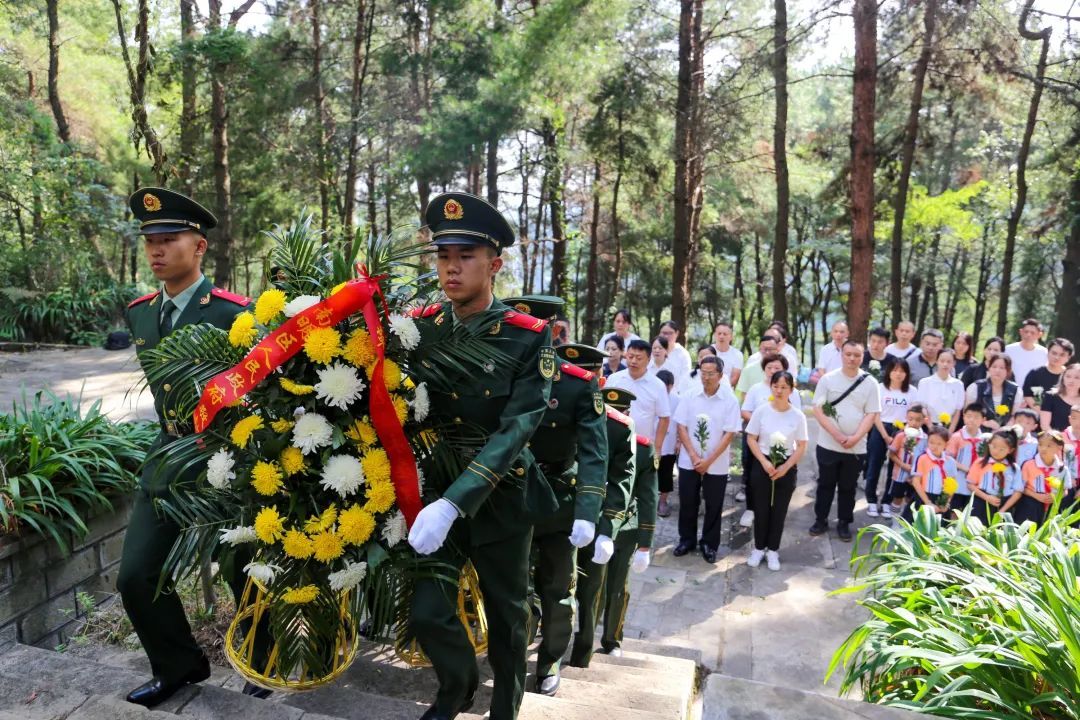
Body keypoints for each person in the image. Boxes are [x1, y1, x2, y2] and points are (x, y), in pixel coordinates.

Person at [405, 192, 555, 720]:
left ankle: (505, 709)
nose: (451, 267)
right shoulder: (422, 327)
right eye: (443, 256)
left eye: (465, 256)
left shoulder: (528, 337)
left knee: (508, 618)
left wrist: (456, 501)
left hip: (499, 496)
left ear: (494, 264)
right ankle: (457, 687)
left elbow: (516, 428)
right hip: (432, 496)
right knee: (427, 611)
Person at [117, 188, 263, 707]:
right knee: (136, 575)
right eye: (150, 241)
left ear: (198, 247)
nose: (157, 250)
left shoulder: (234, 314)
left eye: (169, 239)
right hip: (167, 455)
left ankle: (261, 664)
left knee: (240, 569)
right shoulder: (139, 313)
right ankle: (179, 666)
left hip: (224, 461)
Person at [501, 305, 608, 699]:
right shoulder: (502, 374)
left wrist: (588, 511)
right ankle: (510, 654)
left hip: (559, 504)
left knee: (558, 591)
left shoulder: (577, 384)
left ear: (550, 332)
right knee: (510, 586)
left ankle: (549, 660)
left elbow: (597, 453)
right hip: (511, 496)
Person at [570, 387, 636, 669]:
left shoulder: (633, 439)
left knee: (594, 590)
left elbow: (635, 488)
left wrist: (616, 529)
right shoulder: (575, 420)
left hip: (605, 520)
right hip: (569, 514)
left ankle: (586, 652)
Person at [595, 430, 658, 657]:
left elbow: (649, 496)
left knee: (617, 589)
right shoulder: (589, 436)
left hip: (624, 528)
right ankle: (581, 637)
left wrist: (645, 543)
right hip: (590, 523)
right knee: (589, 588)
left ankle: (612, 640)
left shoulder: (641, 448)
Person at [672, 356, 741, 563]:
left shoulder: (730, 400)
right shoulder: (690, 395)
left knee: (714, 504)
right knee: (687, 501)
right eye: (703, 372)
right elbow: (681, 426)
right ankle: (687, 540)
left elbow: (730, 434)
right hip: (688, 460)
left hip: (716, 463)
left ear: (721, 375)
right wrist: (694, 455)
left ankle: (709, 544)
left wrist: (709, 460)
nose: (706, 377)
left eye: (711, 373)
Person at [811, 340, 881, 541]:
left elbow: (871, 413)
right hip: (828, 444)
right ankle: (821, 519)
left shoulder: (870, 383)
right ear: (841, 355)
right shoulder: (828, 379)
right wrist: (838, 435)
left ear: (863, 357)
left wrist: (855, 437)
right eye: (848, 354)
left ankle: (844, 522)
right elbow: (818, 409)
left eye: (857, 355)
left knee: (848, 488)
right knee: (825, 484)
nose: (852, 358)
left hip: (856, 447)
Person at [744, 370, 808, 571]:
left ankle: (773, 550)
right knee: (761, 508)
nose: (779, 391)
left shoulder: (797, 416)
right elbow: (751, 439)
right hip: (763, 464)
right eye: (776, 386)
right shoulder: (762, 411)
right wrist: (764, 462)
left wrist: (786, 467)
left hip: (785, 465)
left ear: (791, 390)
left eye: (784, 387)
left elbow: (802, 445)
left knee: (779, 510)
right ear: (770, 386)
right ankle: (758, 548)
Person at [865, 358, 917, 519]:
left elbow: (913, 414)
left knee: (894, 470)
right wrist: (886, 436)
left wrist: (901, 434)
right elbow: (874, 414)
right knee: (874, 465)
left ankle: (887, 501)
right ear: (889, 372)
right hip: (881, 428)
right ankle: (872, 501)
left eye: (902, 371)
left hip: (902, 431)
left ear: (906, 374)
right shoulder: (880, 388)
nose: (898, 374)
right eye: (895, 370)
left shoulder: (912, 391)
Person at [605, 339, 671, 445]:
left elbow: (664, 418)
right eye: (630, 356)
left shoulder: (657, 386)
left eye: (639, 358)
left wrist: (658, 447)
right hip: (613, 440)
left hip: (642, 443)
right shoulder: (614, 379)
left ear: (649, 360)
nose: (633, 361)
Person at [903, 425, 958, 523]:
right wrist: (928, 503)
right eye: (931, 442)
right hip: (924, 497)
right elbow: (916, 482)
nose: (934, 446)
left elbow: (952, 485)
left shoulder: (951, 462)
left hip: (942, 499)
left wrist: (946, 502)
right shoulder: (922, 458)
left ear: (946, 444)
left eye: (939, 443)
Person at [967, 430, 1023, 522]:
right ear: (989, 444)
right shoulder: (980, 463)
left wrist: (1003, 510)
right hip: (981, 501)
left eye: (1002, 449)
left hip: (1004, 505)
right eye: (994, 446)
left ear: (1010, 450)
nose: (996, 451)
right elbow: (970, 484)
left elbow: (1017, 492)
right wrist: (987, 498)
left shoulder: (1014, 468)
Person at [1016, 430, 1071, 525]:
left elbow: (1065, 490)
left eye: (1049, 446)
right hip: (1031, 502)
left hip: (1052, 503)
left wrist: (1055, 497)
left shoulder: (1062, 469)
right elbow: (1021, 488)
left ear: (1059, 447)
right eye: (1040, 445)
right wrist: (1037, 496)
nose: (1043, 448)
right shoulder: (1028, 465)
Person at [884, 404, 928, 518]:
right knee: (897, 498)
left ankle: (906, 521)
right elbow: (891, 455)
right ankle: (895, 522)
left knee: (911, 499)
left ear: (924, 420)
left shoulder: (925, 439)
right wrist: (903, 465)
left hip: (916, 477)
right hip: (899, 474)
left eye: (918, 420)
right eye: (910, 419)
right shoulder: (900, 435)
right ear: (906, 418)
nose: (914, 422)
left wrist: (915, 470)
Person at [966, 354, 1021, 430]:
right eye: (994, 367)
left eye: (1002, 368)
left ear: (1008, 371)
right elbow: (967, 413)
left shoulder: (1015, 390)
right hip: (978, 430)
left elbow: (1014, 416)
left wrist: (1004, 429)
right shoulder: (975, 387)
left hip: (1004, 433)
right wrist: (984, 423)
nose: (997, 370)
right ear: (989, 368)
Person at [917, 348, 964, 431]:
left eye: (949, 362)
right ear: (937, 361)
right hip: (928, 426)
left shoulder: (958, 384)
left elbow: (957, 411)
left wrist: (950, 431)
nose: (945, 364)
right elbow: (923, 408)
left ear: (954, 363)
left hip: (949, 427)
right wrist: (931, 427)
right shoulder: (925, 382)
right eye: (942, 361)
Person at [1026, 338, 1075, 410]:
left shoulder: (1072, 376)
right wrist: (1043, 413)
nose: (1057, 357)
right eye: (1054, 353)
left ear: (1068, 357)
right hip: (1039, 416)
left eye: (1062, 355)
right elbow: (1030, 396)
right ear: (1048, 352)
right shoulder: (1036, 373)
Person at [656, 369, 679, 518]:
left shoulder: (677, 399)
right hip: (652, 440)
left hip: (669, 442)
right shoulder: (651, 394)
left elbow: (681, 422)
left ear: (671, 386)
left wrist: (679, 441)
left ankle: (663, 501)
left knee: (666, 472)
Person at [1005, 318, 1048, 391]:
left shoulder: (1044, 352)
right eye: (1026, 332)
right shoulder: (1008, 350)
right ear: (1021, 332)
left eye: (1032, 333)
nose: (1028, 335)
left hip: (1033, 394)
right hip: (1009, 392)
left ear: (1039, 335)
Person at [947, 403, 989, 479]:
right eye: (969, 416)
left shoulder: (984, 439)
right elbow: (948, 458)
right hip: (958, 479)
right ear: (963, 417)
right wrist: (967, 469)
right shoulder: (957, 437)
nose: (971, 420)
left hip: (977, 480)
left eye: (976, 417)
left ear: (983, 420)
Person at [735, 333, 780, 400]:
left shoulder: (784, 368)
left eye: (770, 349)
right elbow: (744, 394)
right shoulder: (748, 369)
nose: (767, 352)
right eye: (764, 349)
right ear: (759, 349)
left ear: (777, 350)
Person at [1042, 363, 1080, 431]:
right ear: (1063, 377)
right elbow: (1045, 426)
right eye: (1068, 376)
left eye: (1077, 377)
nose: (1071, 380)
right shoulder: (1051, 396)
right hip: (1055, 439)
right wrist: (1060, 440)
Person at [658, 320, 693, 389]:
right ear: (659, 333)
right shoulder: (653, 352)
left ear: (677, 333)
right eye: (664, 333)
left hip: (676, 394)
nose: (667, 336)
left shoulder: (683, 354)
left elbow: (685, 378)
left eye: (670, 333)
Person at [711, 320, 744, 386]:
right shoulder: (707, 351)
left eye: (725, 334)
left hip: (727, 390)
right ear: (714, 335)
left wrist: (721, 389)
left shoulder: (737, 354)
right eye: (719, 333)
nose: (721, 336)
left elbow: (735, 378)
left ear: (731, 337)